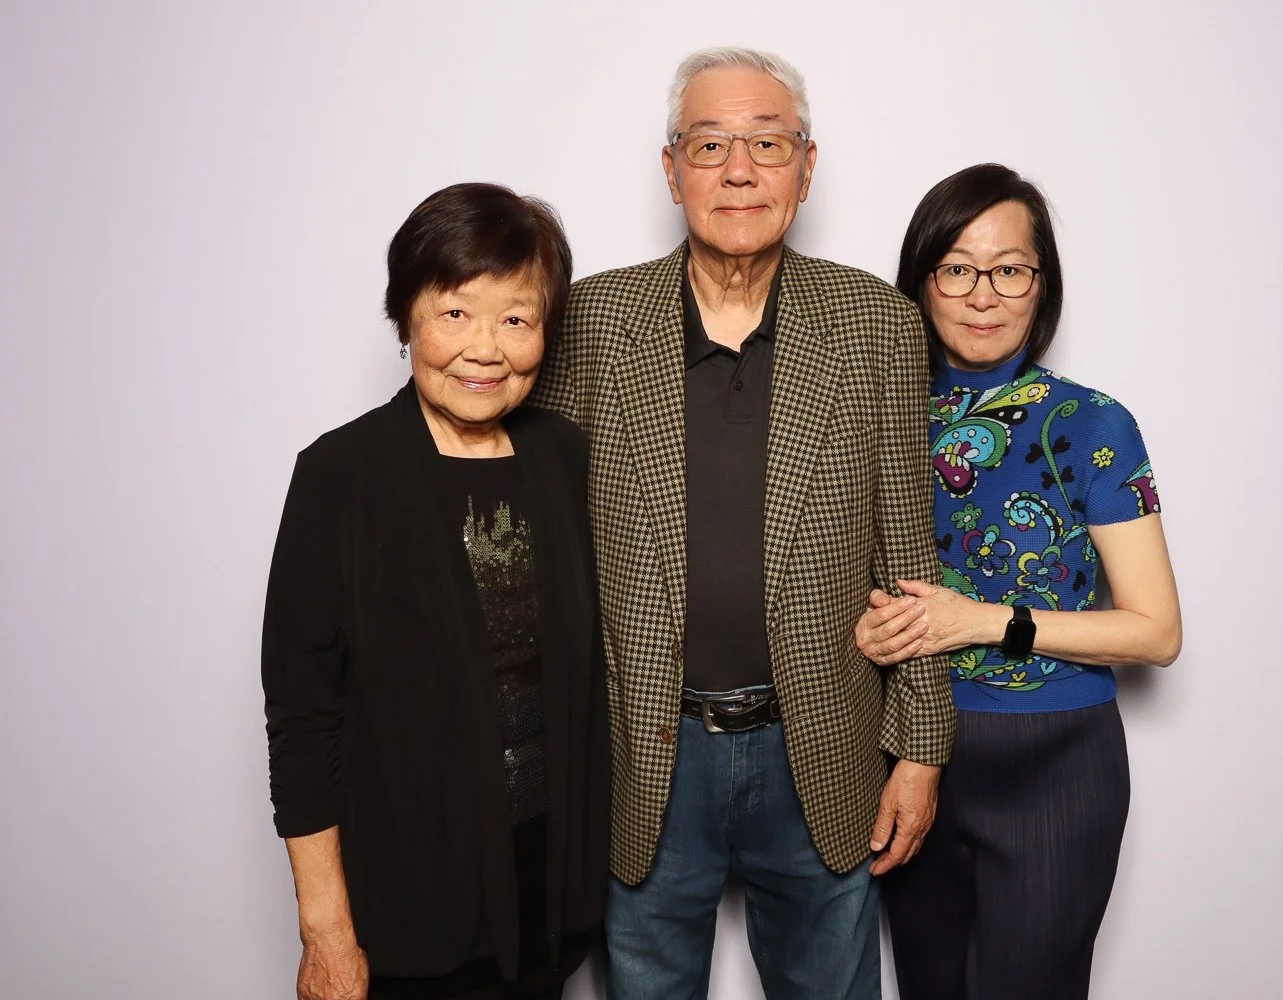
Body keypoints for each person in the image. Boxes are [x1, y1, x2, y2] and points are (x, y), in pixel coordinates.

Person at [529, 47, 953, 1000]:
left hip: (824, 743)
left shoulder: (877, 324)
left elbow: (909, 552)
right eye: (709, 144)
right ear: (670, 168)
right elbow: (538, 539)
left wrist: (922, 749)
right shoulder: (590, 322)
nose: (739, 171)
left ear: (807, 167)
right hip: (642, 752)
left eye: (767, 143)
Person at [261, 182, 608, 1000]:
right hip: (409, 918)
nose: (485, 349)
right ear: (406, 319)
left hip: (549, 905)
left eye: (516, 319)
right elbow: (303, 723)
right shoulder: (342, 477)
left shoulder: (565, 459)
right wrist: (326, 932)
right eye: (455, 312)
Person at [856, 163, 1183, 999]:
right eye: (957, 269)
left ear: (1043, 283)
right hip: (907, 753)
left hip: (1056, 763)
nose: (983, 295)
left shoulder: (1091, 422)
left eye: (1009, 269)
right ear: (921, 281)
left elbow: (1156, 631)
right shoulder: (880, 415)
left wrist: (986, 620)